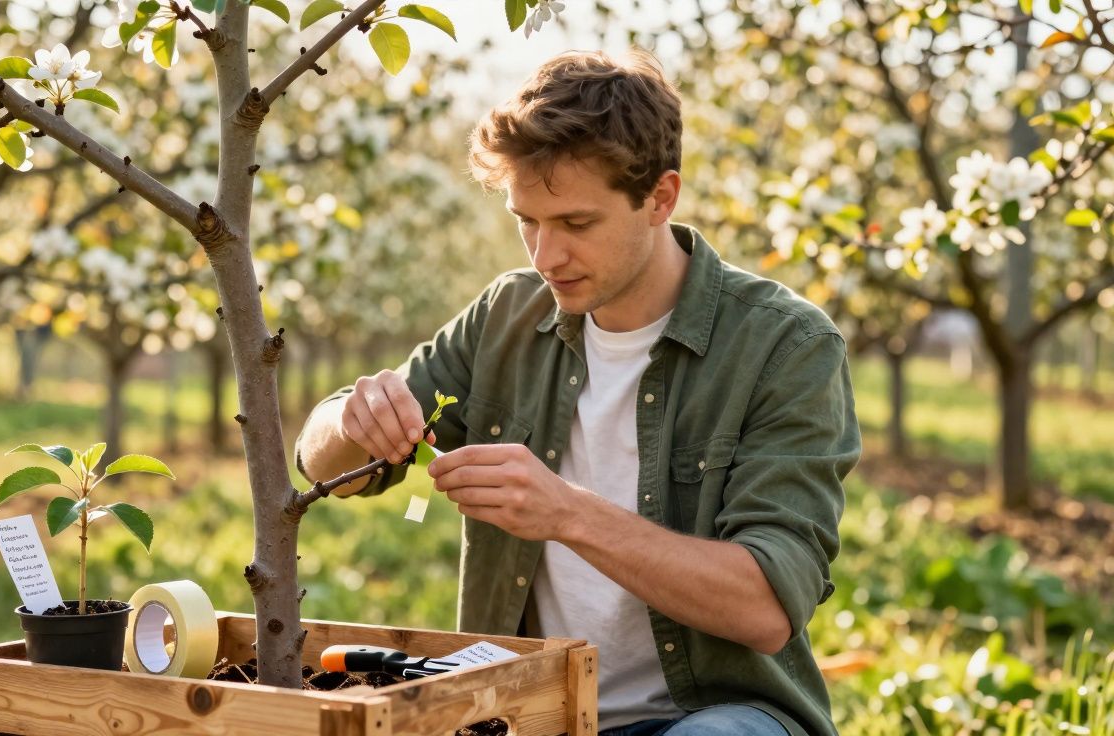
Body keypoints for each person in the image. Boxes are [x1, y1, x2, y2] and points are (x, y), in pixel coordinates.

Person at [295, 49, 861, 736]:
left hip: (716, 714)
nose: (545, 256)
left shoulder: (785, 346)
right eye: (527, 220)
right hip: (526, 713)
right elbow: (325, 467)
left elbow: (767, 607)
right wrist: (349, 420)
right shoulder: (507, 317)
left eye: (576, 224)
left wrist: (567, 513)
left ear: (661, 198)